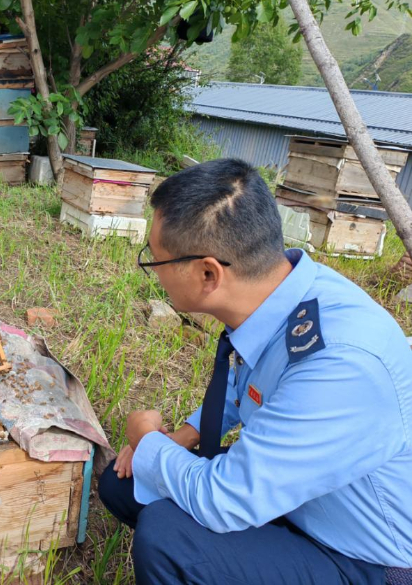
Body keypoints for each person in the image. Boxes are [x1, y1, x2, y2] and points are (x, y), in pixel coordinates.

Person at [98, 159, 412, 585]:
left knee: (166, 538)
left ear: (207, 272)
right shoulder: (281, 291)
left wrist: (147, 439)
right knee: (124, 483)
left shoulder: (341, 363)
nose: (154, 274)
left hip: (361, 552)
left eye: (155, 261)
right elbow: (251, 382)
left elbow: (223, 500)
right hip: (302, 497)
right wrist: (185, 434)